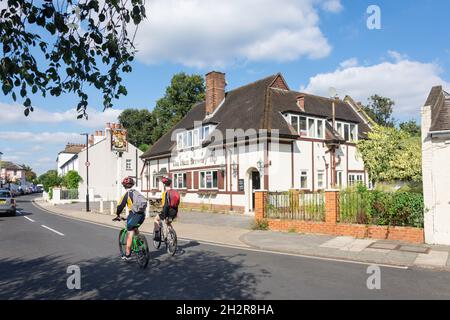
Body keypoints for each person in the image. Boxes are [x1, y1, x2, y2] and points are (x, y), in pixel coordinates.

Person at [115, 177, 146, 261]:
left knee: (130, 232)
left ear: (124, 186)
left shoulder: (127, 194)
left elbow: (120, 206)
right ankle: (140, 242)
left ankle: (128, 254)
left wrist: (118, 214)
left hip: (134, 215)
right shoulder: (137, 192)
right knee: (135, 227)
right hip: (142, 215)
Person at [153, 176, 179, 241]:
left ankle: (159, 237)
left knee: (156, 219)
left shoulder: (165, 193)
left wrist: (164, 216)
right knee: (168, 223)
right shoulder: (174, 192)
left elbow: (165, 206)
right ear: (170, 184)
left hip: (167, 211)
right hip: (174, 211)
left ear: (164, 185)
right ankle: (172, 237)